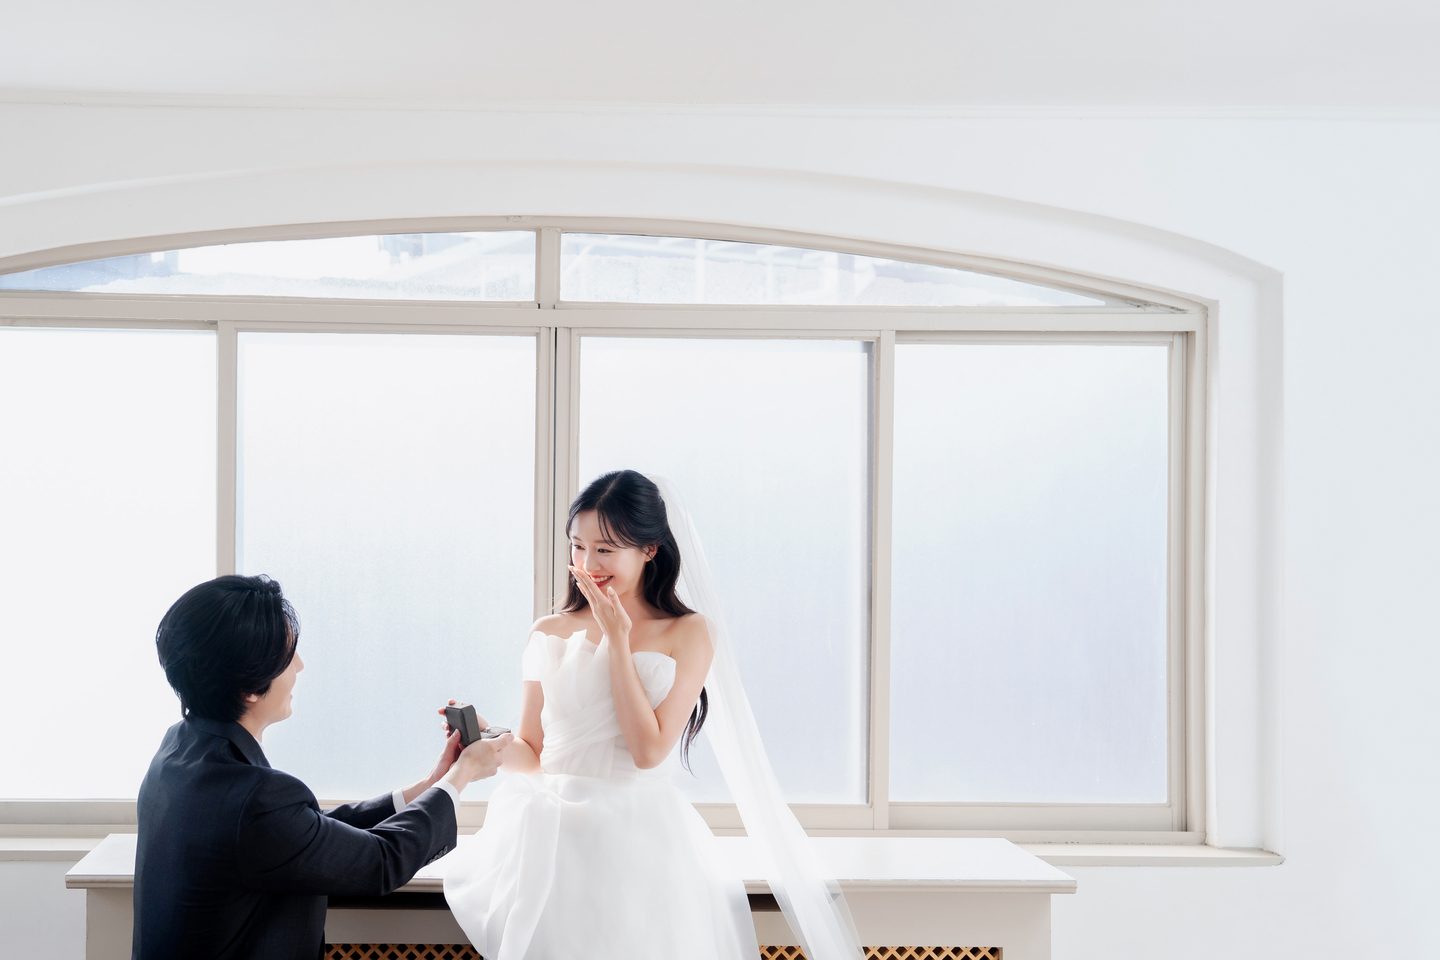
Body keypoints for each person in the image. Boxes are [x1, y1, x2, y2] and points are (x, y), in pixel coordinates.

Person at [443, 471, 864, 960]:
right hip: (548, 840)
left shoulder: (687, 633)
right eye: (578, 547)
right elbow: (533, 753)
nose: (587, 563)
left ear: (649, 549)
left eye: (605, 549)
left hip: (634, 841)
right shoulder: (549, 629)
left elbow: (649, 752)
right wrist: (484, 744)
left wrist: (617, 640)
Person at [133, 574, 512, 960]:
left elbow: (301, 831)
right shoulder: (255, 800)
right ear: (249, 688)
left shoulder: (179, 750)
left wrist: (430, 784)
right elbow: (381, 861)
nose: (300, 664)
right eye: (287, 656)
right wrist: (461, 776)